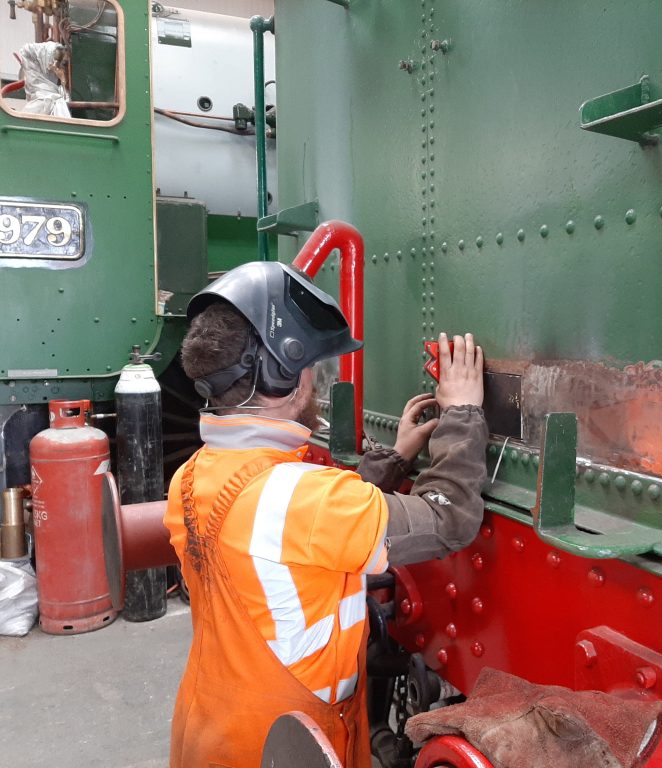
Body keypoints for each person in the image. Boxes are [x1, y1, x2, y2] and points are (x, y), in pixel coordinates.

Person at [163, 260, 488, 768]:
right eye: (311, 369)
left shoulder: (195, 474)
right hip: (282, 742)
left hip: (210, 724)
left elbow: (305, 529)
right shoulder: (300, 496)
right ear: (282, 377)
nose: (314, 382)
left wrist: (396, 457)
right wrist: (463, 413)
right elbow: (449, 520)